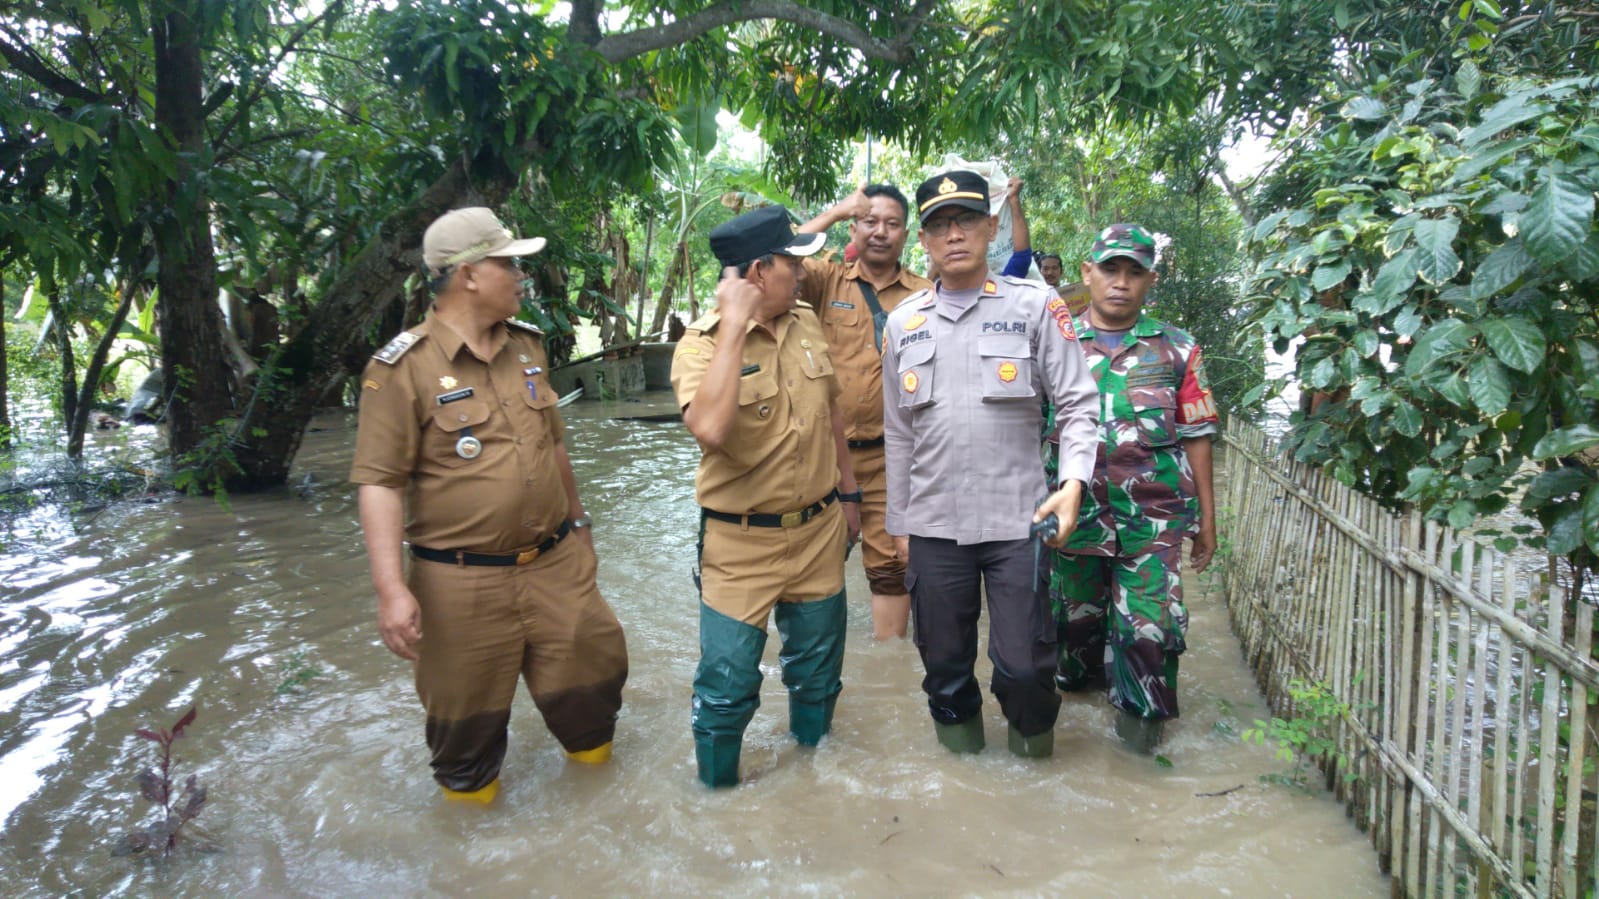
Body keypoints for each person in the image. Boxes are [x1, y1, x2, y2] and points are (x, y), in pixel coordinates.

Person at [350, 207, 629, 804]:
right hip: (460, 582)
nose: (520, 274)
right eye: (509, 263)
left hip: (555, 563)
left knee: (592, 695)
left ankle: (599, 813)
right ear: (469, 274)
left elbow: (553, 443)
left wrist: (580, 526)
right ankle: (473, 848)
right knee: (465, 736)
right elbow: (379, 482)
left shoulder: (526, 347)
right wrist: (391, 590)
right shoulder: (402, 368)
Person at [882, 170, 1099, 758]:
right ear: (922, 241)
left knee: (1026, 667)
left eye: (967, 221)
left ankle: (1033, 775)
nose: (954, 235)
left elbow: (1079, 403)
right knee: (945, 673)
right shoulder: (903, 323)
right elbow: (898, 434)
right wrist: (898, 526)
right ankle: (966, 785)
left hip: (1017, 523)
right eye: (939, 225)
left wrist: (1074, 483)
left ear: (992, 227)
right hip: (933, 527)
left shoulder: (1035, 306)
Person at [671, 205, 863, 788]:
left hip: (817, 532)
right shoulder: (700, 347)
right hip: (739, 543)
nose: (802, 274)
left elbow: (829, 409)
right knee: (727, 687)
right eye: (791, 263)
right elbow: (709, 428)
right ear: (757, 272)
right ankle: (718, 799)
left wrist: (850, 497)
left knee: (818, 674)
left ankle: (812, 784)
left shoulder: (805, 320)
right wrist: (733, 327)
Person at [1049, 223, 1218, 754]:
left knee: (1149, 633)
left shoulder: (1178, 351)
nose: (1120, 283)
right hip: (1074, 523)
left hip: (1154, 521)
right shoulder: (1055, 343)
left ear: (1150, 280)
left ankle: (1139, 749)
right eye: (1110, 269)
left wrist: (1207, 519)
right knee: (1072, 644)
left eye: (1134, 272)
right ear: (1087, 273)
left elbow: (1197, 436)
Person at [798, 184, 933, 640]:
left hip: (893, 457)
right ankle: (819, 668)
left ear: (907, 234)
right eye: (869, 221)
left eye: (892, 223)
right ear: (854, 228)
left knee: (892, 566)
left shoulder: (925, 295)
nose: (880, 232)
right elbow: (777, 258)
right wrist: (834, 211)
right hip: (822, 457)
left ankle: (887, 666)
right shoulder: (824, 281)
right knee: (810, 564)